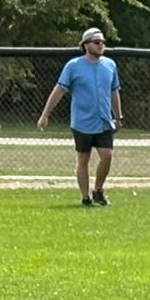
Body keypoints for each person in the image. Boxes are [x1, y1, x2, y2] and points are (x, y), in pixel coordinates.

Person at [36, 27, 123, 206]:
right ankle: (85, 197)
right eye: (97, 42)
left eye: (103, 42)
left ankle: (98, 190)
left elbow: (114, 91)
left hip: (104, 121)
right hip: (82, 122)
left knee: (107, 155)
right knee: (83, 159)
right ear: (85, 45)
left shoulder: (110, 65)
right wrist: (45, 115)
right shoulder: (73, 66)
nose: (101, 45)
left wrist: (118, 115)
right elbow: (59, 90)